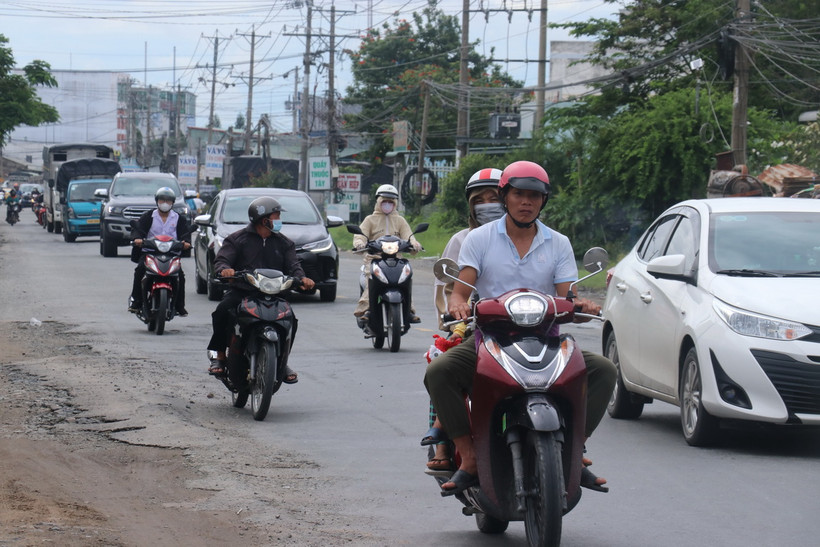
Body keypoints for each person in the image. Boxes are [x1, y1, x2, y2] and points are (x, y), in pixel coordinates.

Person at [423, 160, 617, 496]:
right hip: (490, 339)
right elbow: (460, 290)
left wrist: (581, 307)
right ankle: (468, 456)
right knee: (439, 371)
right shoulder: (479, 239)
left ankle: (575, 450)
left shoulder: (558, 243)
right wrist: (457, 304)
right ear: (505, 197)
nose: (526, 202)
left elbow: (567, 297)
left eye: (534, 196)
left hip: (547, 338)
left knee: (604, 369)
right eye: (518, 195)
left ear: (543, 201)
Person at [425, 167, 505, 473]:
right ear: (470, 206)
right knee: (441, 363)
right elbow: (449, 290)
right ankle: (443, 440)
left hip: (527, 326)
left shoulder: (541, 238)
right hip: (477, 326)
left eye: (494, 197)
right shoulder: (464, 240)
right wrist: (456, 314)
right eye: (479, 199)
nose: (487, 204)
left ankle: (575, 444)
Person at [206, 196, 315, 384]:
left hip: (275, 294)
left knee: (291, 320)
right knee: (222, 311)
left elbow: (294, 265)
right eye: (276, 216)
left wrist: (303, 278)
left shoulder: (284, 243)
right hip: (243, 292)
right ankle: (220, 355)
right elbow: (222, 260)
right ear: (264, 219)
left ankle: (282, 362)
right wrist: (225, 269)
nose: (279, 220)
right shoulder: (237, 239)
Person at [352, 183, 422, 325]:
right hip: (374, 258)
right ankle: (367, 309)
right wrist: (360, 243)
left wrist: (415, 244)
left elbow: (409, 236)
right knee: (369, 278)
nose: (388, 204)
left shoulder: (400, 220)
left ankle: (409, 311)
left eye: (391, 202)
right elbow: (360, 236)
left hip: (397, 259)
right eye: (385, 201)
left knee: (406, 279)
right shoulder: (370, 220)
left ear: (395, 203)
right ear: (378, 201)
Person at [129, 187, 191, 316]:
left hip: (171, 254)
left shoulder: (179, 218)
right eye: (162, 200)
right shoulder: (148, 216)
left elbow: (185, 233)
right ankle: (136, 301)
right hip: (150, 252)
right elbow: (138, 228)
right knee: (140, 270)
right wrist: (137, 239)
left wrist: (186, 242)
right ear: (157, 201)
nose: (165, 203)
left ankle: (179, 306)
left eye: (168, 201)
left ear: (172, 203)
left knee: (180, 277)